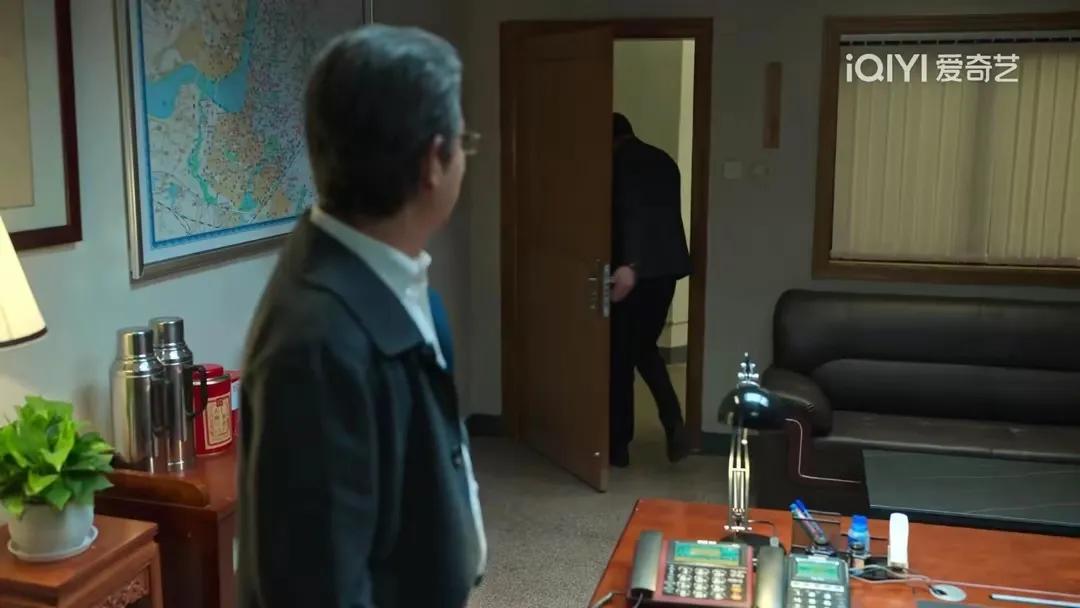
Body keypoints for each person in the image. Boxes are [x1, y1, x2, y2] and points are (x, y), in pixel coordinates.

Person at [236, 25, 484, 608]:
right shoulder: (318, 346)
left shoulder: (395, 278)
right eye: (463, 142)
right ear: (434, 162)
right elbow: (317, 591)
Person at [609, 112, 692, 468]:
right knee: (643, 348)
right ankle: (673, 422)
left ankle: (617, 444)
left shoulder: (620, 164)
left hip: (634, 273)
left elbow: (633, 212)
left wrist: (630, 264)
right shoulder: (663, 160)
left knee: (619, 357)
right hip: (666, 270)